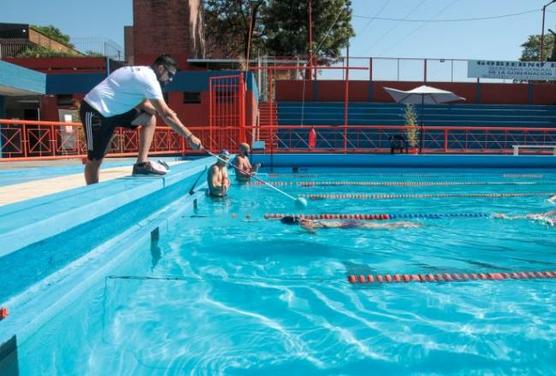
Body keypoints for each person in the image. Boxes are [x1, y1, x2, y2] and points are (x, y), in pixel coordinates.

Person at [79, 54, 202, 184]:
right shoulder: (149, 79)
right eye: (169, 75)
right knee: (95, 160)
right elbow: (166, 115)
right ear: (161, 68)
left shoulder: (141, 74)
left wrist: (162, 112)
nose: (170, 80)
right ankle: (92, 192)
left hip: (114, 113)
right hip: (95, 110)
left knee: (149, 119)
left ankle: (141, 164)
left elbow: (141, 103)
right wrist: (189, 136)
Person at [280, 216, 421, 233]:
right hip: (347, 222)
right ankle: (407, 223)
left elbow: (313, 232)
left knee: (383, 227)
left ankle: (408, 225)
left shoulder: (304, 224)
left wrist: (309, 233)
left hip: (346, 225)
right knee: (382, 225)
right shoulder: (306, 221)